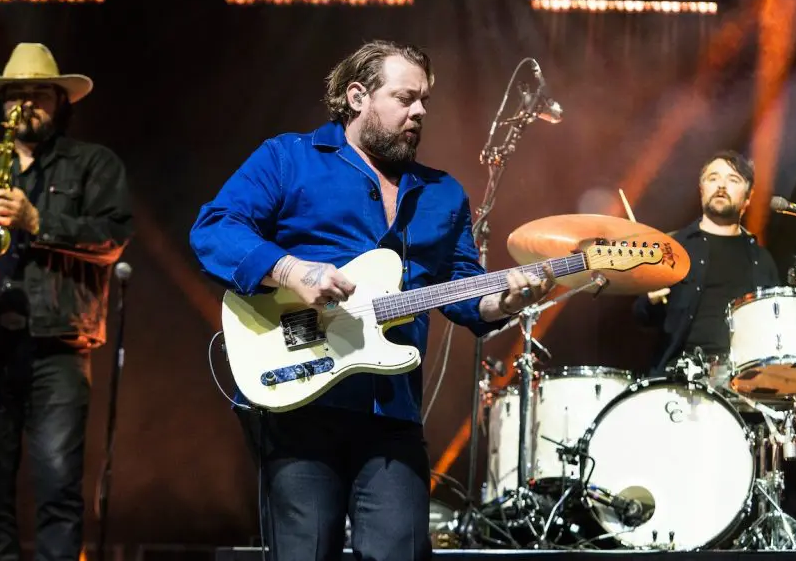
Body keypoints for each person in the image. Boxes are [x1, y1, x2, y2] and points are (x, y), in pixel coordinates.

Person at [189, 40, 553, 560]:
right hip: (301, 398)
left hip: (393, 411)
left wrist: (507, 301)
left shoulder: (443, 194)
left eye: (424, 99)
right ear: (358, 96)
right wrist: (291, 269)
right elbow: (214, 229)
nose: (421, 111)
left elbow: (465, 291)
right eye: (406, 97)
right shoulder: (289, 158)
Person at [0, 42, 133, 561]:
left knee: (58, 487)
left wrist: (39, 222)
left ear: (60, 102)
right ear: (1, 105)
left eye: (39, 94)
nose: (26, 105)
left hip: (58, 345)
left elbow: (113, 235)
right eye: (16, 96)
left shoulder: (92, 164)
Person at [634, 150, 779, 376]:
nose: (721, 185)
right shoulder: (671, 247)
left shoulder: (762, 260)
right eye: (713, 178)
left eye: (733, 180)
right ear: (702, 190)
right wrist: (650, 300)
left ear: (748, 197)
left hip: (743, 381)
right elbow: (641, 317)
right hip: (678, 378)